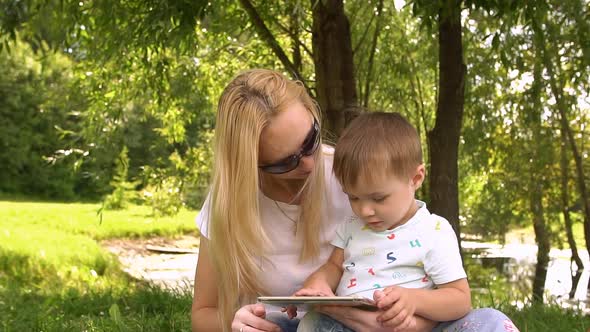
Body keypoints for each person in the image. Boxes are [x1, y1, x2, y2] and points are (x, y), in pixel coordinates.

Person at [293, 112, 520, 332]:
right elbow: (332, 267)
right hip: (355, 325)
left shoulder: (434, 230)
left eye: (379, 198)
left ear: (416, 178)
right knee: (313, 323)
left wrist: (414, 300)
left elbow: (460, 299)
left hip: (416, 326)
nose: (365, 210)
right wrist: (317, 285)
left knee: (491, 320)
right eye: (353, 197)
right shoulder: (351, 227)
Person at [191, 68, 357, 332]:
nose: (310, 164)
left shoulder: (353, 178)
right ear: (250, 166)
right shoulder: (227, 203)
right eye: (285, 162)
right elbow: (203, 313)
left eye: (311, 139)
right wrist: (233, 323)